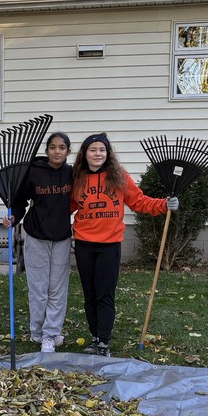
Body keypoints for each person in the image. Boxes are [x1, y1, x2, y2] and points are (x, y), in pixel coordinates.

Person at [70, 132, 178, 357]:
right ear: (85, 154)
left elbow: (139, 201)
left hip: (109, 244)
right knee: (89, 294)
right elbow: (65, 206)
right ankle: (95, 337)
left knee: (105, 294)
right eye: (93, 150)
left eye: (102, 149)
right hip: (83, 244)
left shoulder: (118, 176)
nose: (97, 153)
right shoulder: (77, 178)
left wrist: (164, 204)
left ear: (108, 153)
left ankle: (104, 342)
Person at [4, 132, 74, 353]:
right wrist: (13, 215)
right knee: (38, 288)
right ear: (46, 151)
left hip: (62, 236)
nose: (57, 151)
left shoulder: (72, 174)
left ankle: (50, 334)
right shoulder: (32, 172)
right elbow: (19, 201)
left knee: (57, 288)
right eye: (52, 147)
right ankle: (37, 331)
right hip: (35, 235)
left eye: (61, 147)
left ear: (68, 152)